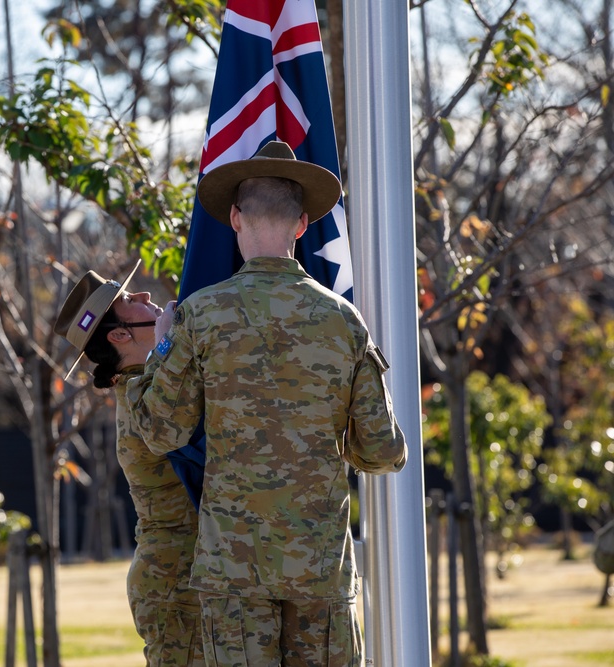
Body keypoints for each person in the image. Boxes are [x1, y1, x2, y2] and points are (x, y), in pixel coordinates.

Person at [125, 141, 408, 667]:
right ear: (302, 225)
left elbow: (161, 432)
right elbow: (385, 451)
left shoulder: (201, 315)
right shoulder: (344, 321)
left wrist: (160, 348)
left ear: (234, 217)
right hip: (318, 563)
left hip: (234, 569)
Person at [53, 261, 205, 666]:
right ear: (120, 335)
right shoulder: (144, 393)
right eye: (129, 299)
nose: (146, 296)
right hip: (175, 582)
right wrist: (168, 344)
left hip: (188, 572)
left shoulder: (155, 382)